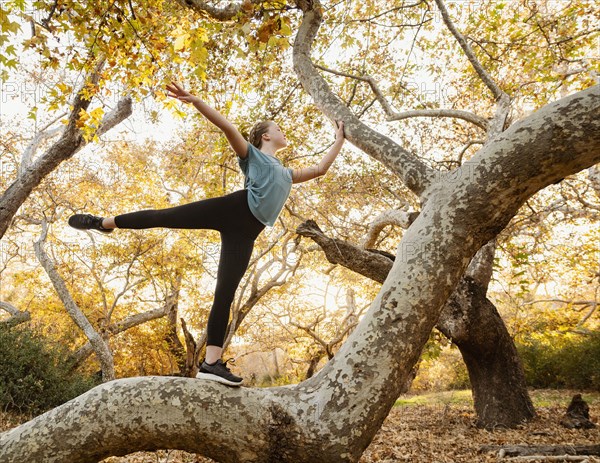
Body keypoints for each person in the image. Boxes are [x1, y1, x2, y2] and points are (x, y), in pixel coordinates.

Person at [68, 82, 345, 386]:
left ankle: (211, 364)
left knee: (224, 293)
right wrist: (196, 101)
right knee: (166, 217)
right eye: (278, 128)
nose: (283, 131)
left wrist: (339, 139)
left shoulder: (287, 173)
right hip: (234, 210)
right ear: (266, 136)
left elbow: (320, 169)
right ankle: (103, 222)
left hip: (247, 232)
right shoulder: (253, 155)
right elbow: (228, 128)